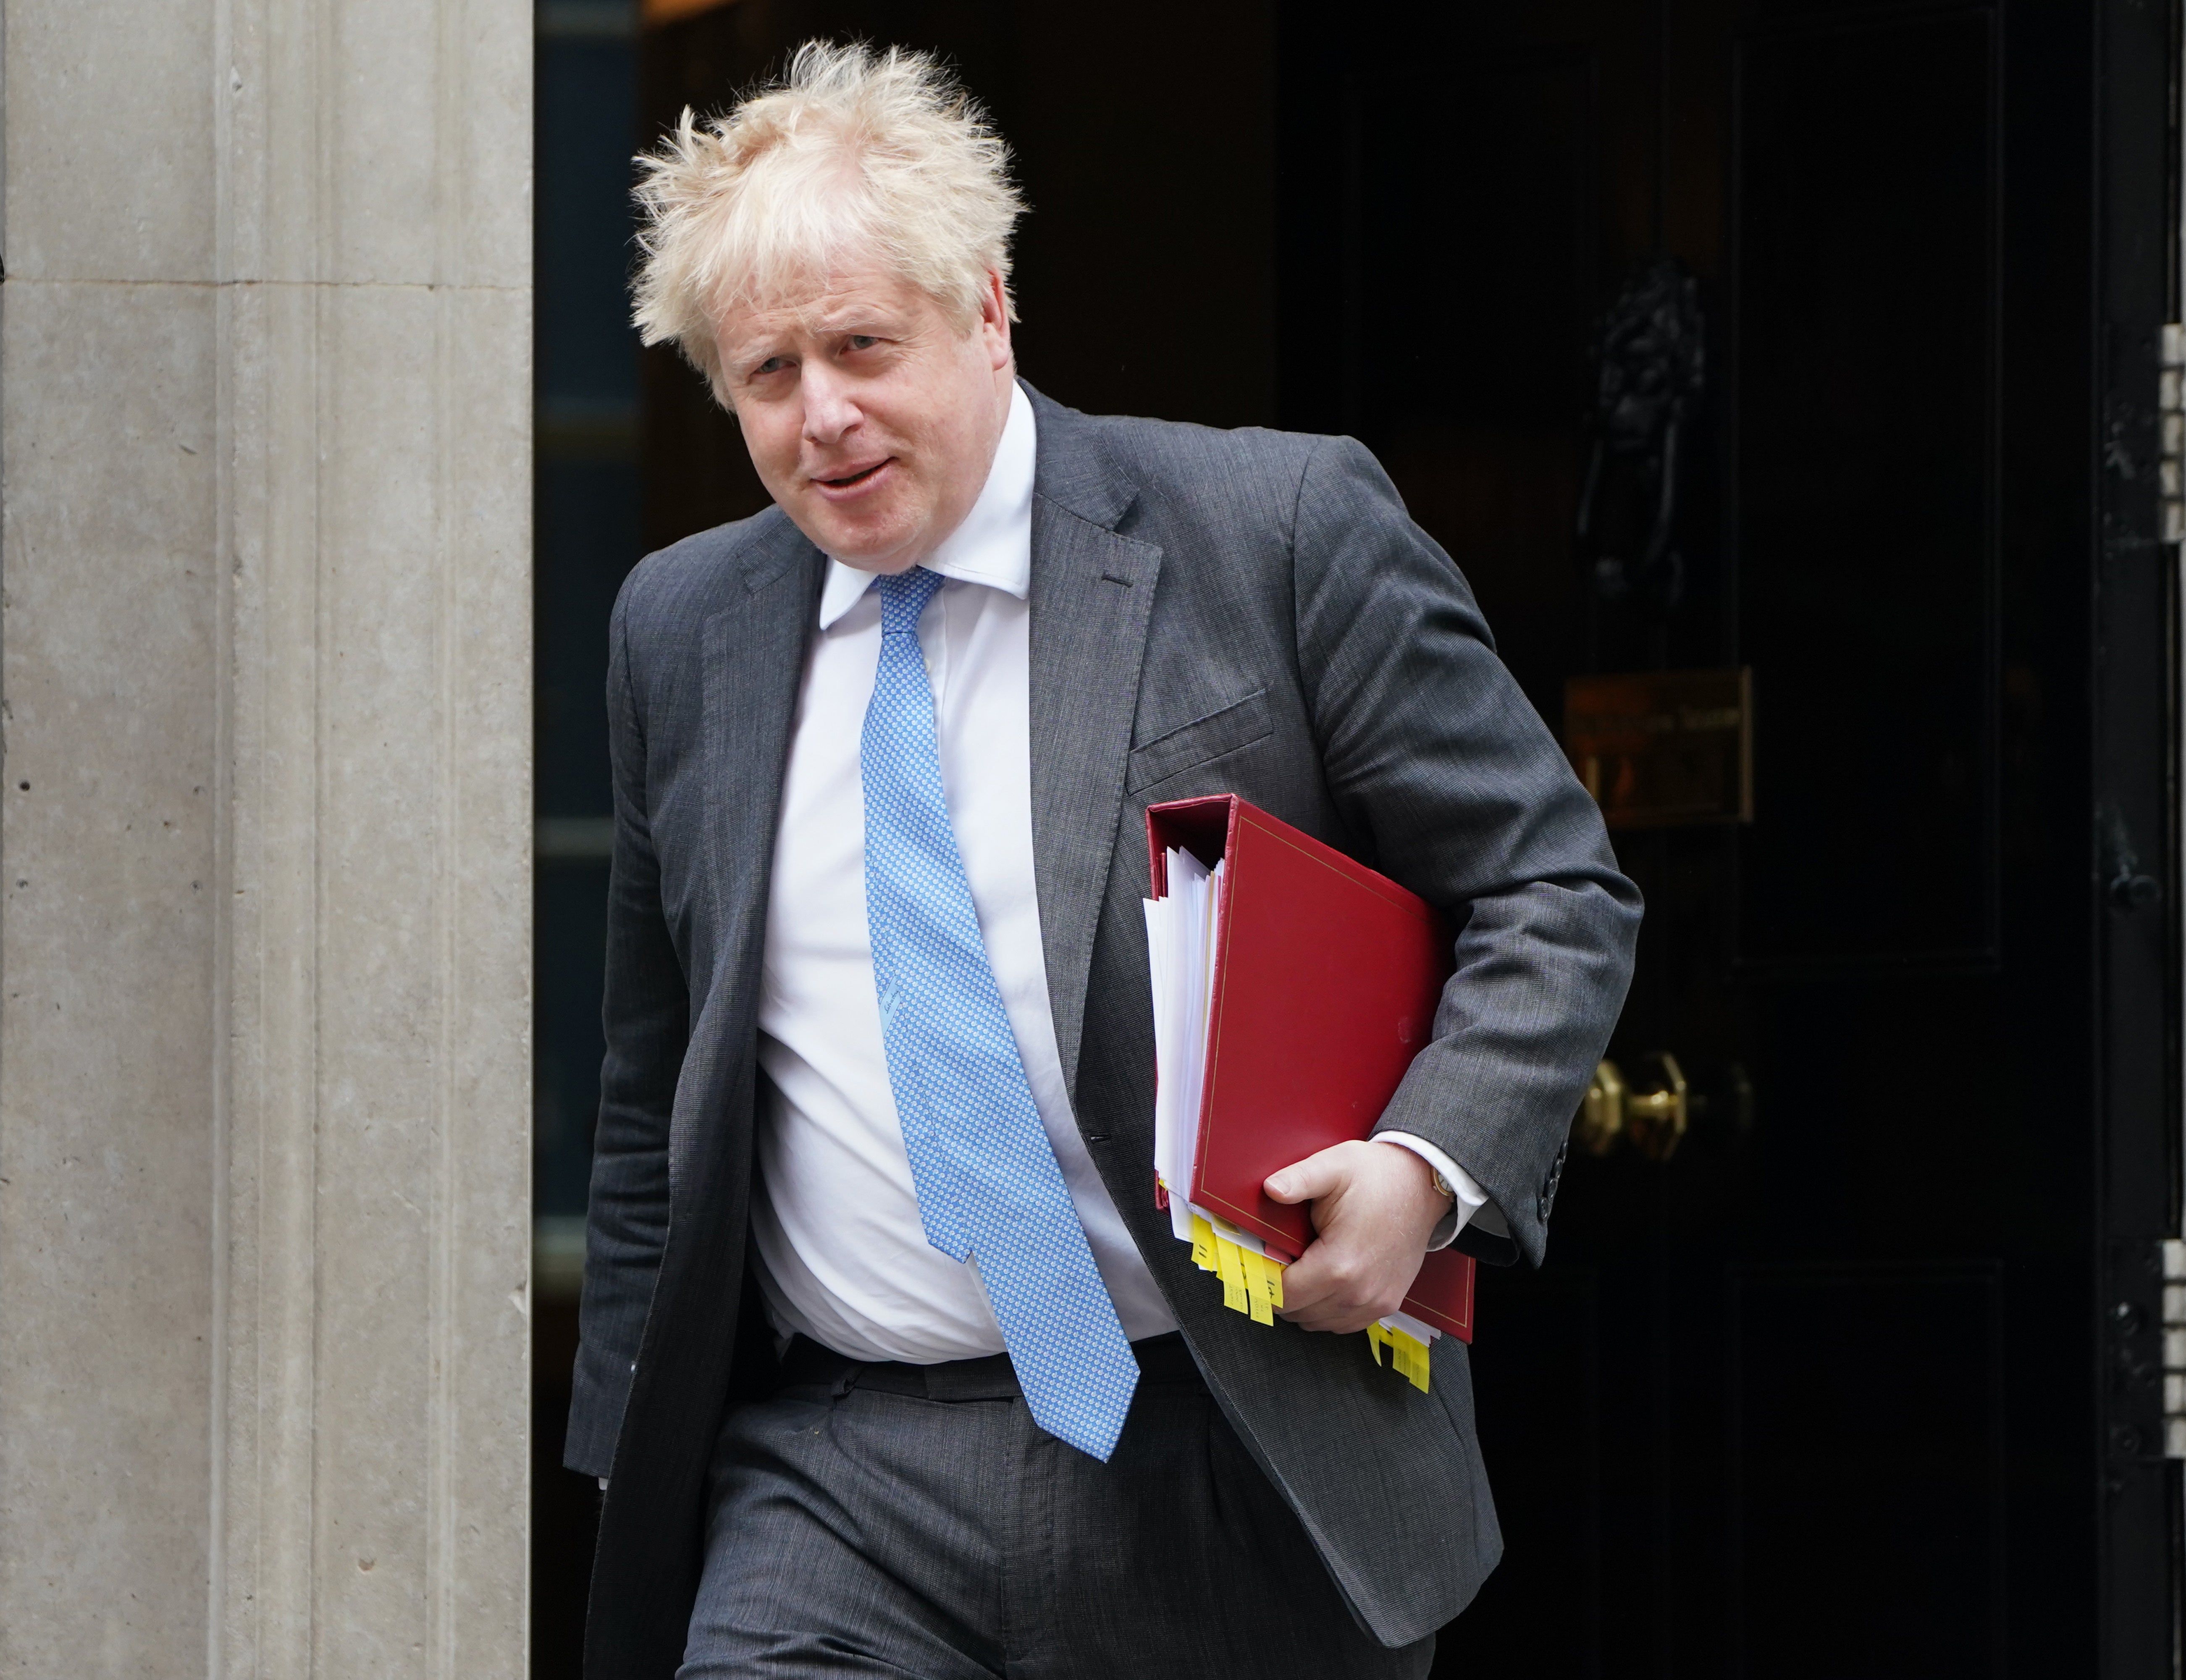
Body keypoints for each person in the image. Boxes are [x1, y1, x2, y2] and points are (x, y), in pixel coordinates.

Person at [567, 40, 1640, 1680]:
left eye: (863, 346)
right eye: (766, 372)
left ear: (988, 307)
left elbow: (1548, 888)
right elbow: (658, 1087)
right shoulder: (679, 626)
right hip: (832, 1480)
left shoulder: (1268, 530)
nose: (821, 414)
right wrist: (626, 1458)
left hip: (1223, 1442)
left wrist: (1428, 1163)